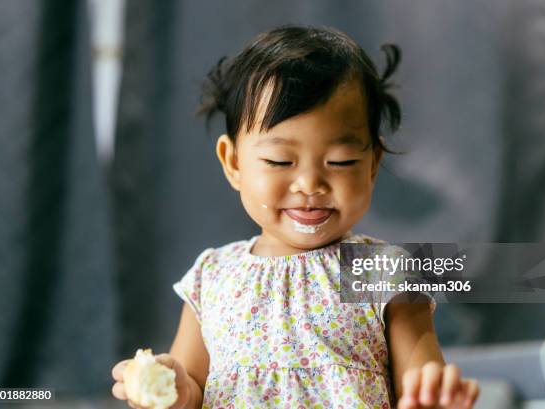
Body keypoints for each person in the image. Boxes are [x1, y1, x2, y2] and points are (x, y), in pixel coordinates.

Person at [111, 25, 479, 409]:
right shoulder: (212, 276)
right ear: (233, 162)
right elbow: (193, 391)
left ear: (373, 164)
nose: (309, 184)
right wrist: (174, 390)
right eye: (279, 161)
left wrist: (434, 400)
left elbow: (421, 386)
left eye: (341, 162)